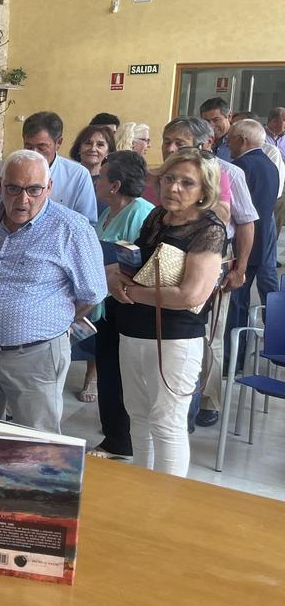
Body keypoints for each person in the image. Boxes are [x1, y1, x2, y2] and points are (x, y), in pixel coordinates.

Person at [0, 150, 107, 433]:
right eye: (13, 188)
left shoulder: (71, 229)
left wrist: (49, 319)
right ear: (0, 186)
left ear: (48, 188)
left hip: (35, 356)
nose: (23, 199)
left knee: (35, 449)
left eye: (34, 189)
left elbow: (92, 293)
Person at [107, 149, 225, 476]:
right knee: (138, 414)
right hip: (133, 329)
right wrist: (116, 278)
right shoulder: (157, 216)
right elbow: (140, 266)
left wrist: (131, 292)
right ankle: (142, 491)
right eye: (170, 179)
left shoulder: (209, 229)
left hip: (174, 338)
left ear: (204, 191)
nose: (174, 188)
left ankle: (167, 505)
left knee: (167, 423)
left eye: (187, 183)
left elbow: (191, 295)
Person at [157, 118, 251, 429]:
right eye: (166, 141)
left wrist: (241, 267)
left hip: (212, 263)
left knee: (209, 337)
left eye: (179, 143)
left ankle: (206, 400)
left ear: (204, 145)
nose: (170, 148)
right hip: (166, 267)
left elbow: (245, 223)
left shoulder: (230, 174)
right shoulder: (162, 174)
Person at [87, 151, 155, 459]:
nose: (96, 181)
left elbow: (140, 264)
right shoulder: (108, 211)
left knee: (122, 374)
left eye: (101, 177)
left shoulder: (141, 212)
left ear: (114, 185)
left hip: (128, 305)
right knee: (109, 371)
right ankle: (113, 436)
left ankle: (120, 440)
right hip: (105, 303)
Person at [0, 111, 98, 224]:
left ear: (58, 143)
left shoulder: (78, 175)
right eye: (28, 146)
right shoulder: (5, 167)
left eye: (41, 147)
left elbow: (86, 224)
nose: (34, 153)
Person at [227, 119, 281, 368]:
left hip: (244, 242)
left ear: (242, 140)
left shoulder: (239, 167)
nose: (228, 143)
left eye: (231, 138)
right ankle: (243, 354)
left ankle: (232, 359)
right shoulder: (270, 164)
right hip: (264, 238)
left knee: (236, 303)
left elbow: (238, 212)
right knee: (250, 298)